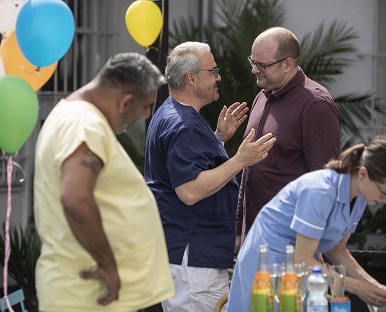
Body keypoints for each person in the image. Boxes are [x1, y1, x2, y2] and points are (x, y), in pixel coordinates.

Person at [34, 53, 174, 312]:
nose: (146, 115)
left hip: (92, 295)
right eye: (146, 107)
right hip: (87, 296)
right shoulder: (84, 124)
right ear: (126, 102)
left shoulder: (79, 119)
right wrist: (108, 265)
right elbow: (75, 198)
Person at [144, 41, 276, 312]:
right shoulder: (182, 124)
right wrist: (241, 159)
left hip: (189, 254)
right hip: (192, 258)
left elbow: (190, 170)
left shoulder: (174, 113)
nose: (219, 77)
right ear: (191, 78)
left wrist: (218, 139)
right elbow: (189, 190)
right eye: (213, 71)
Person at [227, 138, 386, 311]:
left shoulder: (361, 198)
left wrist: (374, 286)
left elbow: (338, 250)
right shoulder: (320, 190)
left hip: (297, 271)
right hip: (267, 265)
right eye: (384, 192)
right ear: (363, 174)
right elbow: (303, 261)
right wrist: (357, 287)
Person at [236, 27, 341, 245]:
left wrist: (314, 244)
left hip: (291, 243)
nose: (254, 70)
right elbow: (249, 171)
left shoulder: (315, 104)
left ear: (288, 64)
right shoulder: (263, 96)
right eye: (252, 61)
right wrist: (240, 228)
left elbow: (326, 182)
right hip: (256, 238)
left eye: (262, 65)